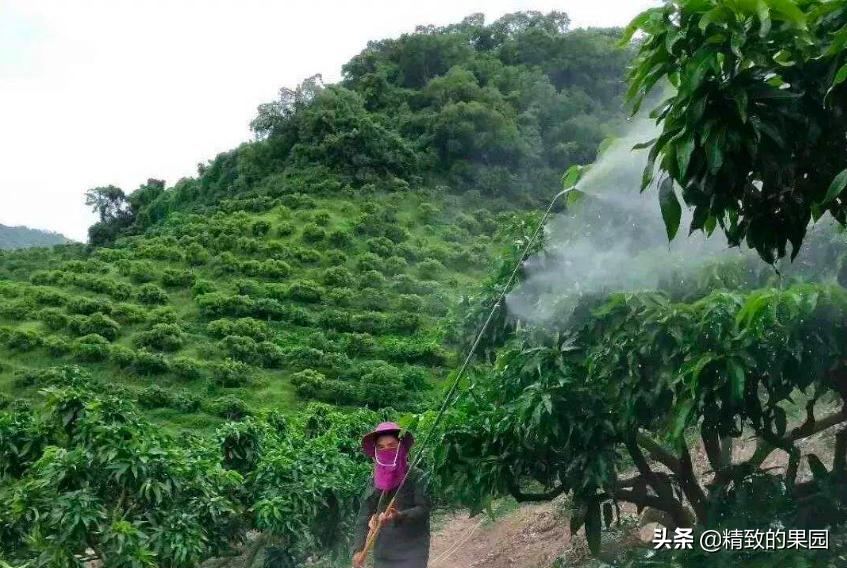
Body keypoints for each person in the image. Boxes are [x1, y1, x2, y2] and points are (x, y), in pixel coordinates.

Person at [352, 422, 430, 568]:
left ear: (401, 447)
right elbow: (363, 515)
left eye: (392, 445)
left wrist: (398, 516)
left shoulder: (416, 476)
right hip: (384, 554)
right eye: (380, 447)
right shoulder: (374, 481)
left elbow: (423, 510)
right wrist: (358, 549)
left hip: (413, 553)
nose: (386, 450)